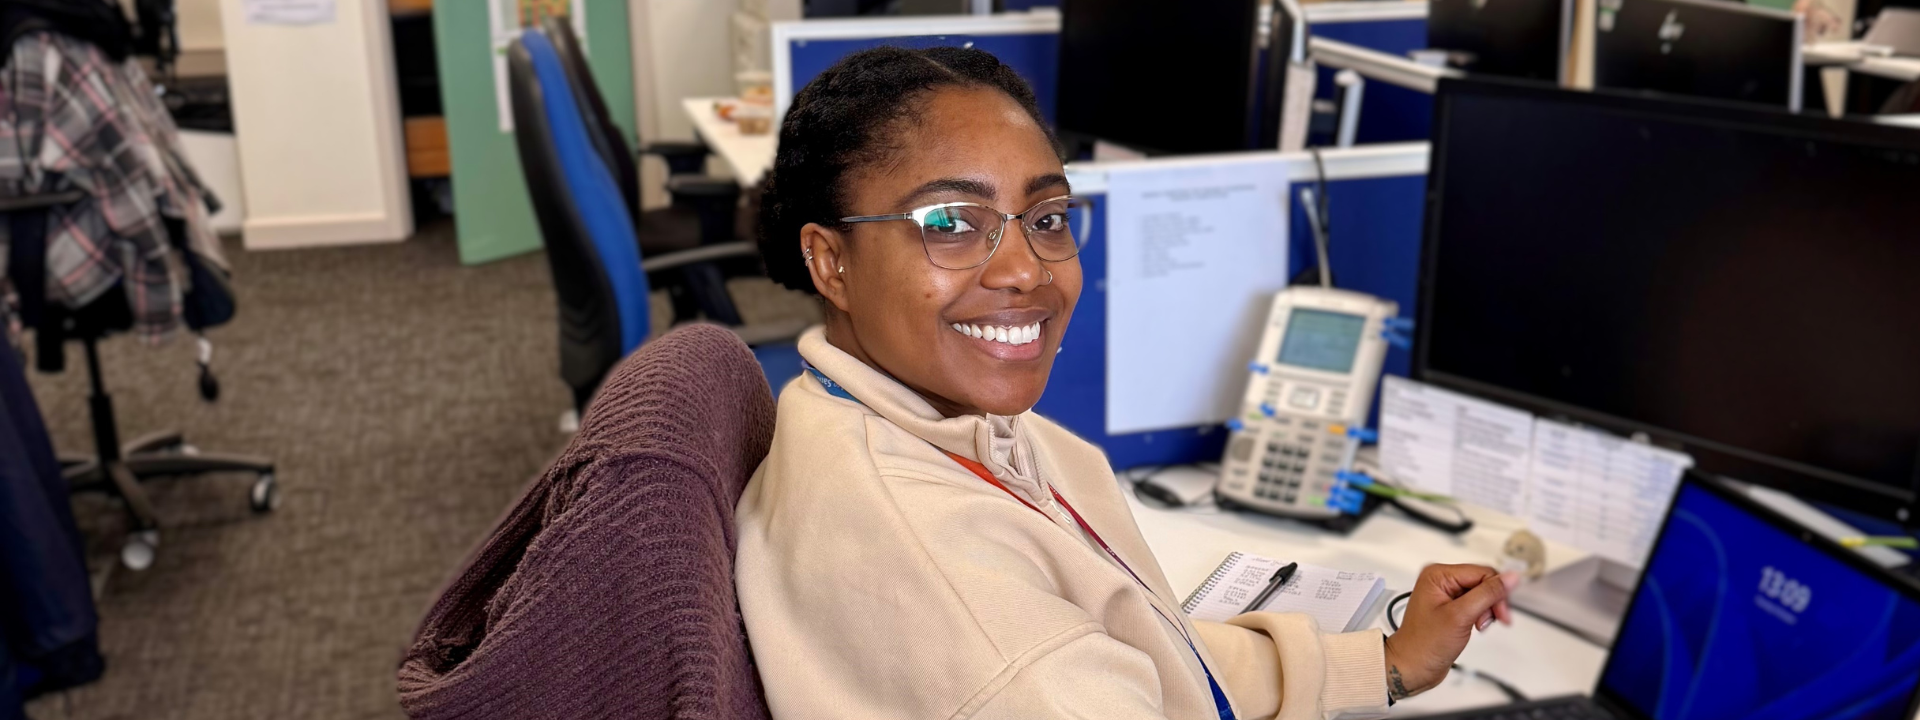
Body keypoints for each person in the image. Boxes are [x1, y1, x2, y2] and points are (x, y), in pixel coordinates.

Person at [735, 46, 1517, 720]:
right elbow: (1041, 665)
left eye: (1047, 217)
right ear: (830, 262)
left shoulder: (922, 425)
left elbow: (1144, 654)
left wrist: (1382, 664)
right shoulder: (948, 574)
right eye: (950, 223)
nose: (1025, 269)